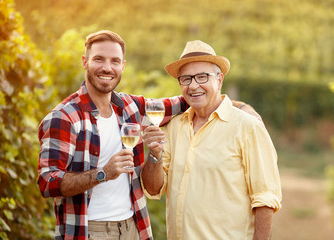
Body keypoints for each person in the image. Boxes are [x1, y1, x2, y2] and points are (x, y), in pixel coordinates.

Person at [37, 30, 257, 240]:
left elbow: (187, 99)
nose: (107, 67)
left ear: (122, 66)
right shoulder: (64, 118)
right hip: (90, 229)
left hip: (133, 225)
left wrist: (241, 107)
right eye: (98, 60)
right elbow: (47, 182)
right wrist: (103, 174)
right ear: (85, 62)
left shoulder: (129, 107)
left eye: (114, 61)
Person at [141, 40, 282, 239]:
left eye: (202, 77)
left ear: (219, 80)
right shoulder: (172, 127)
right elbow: (154, 188)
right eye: (186, 79)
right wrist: (154, 156)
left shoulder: (248, 127)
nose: (193, 85)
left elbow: (265, 199)